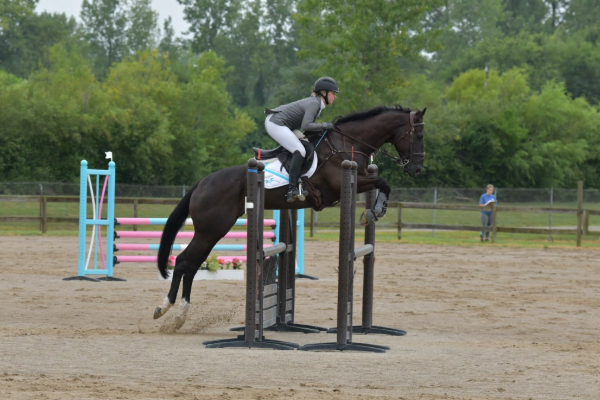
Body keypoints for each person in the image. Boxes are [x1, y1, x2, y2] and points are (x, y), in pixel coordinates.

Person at [264, 77, 340, 202]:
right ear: (324, 93)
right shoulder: (314, 104)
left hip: (283, 124)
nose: (335, 96)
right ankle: (291, 189)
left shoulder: (317, 103)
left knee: (306, 144)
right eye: (333, 93)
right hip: (275, 123)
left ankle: (298, 181)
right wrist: (325, 125)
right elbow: (306, 126)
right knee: (300, 151)